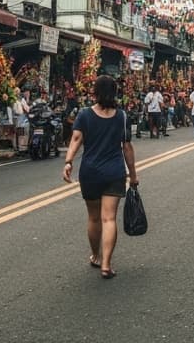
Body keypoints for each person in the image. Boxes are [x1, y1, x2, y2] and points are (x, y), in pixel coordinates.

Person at [62, 74, 139, 279]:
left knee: (94, 217)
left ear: (95, 92)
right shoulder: (122, 116)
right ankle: (106, 264)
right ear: (115, 93)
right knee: (109, 218)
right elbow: (127, 148)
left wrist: (68, 162)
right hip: (114, 172)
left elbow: (76, 139)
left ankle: (96, 256)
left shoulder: (85, 115)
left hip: (90, 172)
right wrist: (133, 175)